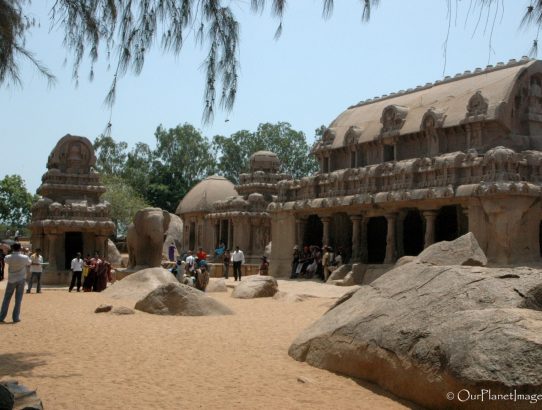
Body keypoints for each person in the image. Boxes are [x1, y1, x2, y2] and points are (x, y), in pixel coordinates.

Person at [0, 243, 31, 323]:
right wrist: (26, 252)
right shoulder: (24, 257)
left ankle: (2, 317)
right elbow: (29, 263)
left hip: (11, 279)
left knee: (6, 299)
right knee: (18, 299)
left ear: (12, 248)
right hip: (21, 279)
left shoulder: (8, 257)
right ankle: (15, 317)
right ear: (20, 248)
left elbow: (5, 259)